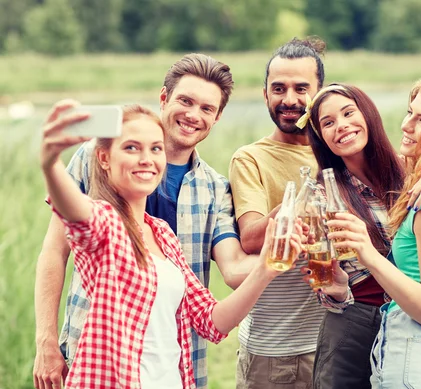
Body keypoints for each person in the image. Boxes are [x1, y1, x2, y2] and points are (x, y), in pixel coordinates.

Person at [39, 103, 303, 389]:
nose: (146, 159)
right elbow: (75, 210)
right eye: (131, 148)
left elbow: (211, 321)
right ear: (104, 158)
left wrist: (265, 268)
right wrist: (50, 162)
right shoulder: (103, 221)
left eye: (155, 148)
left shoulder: (162, 234)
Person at [297, 82, 421, 389]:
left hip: (413, 314)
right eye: (328, 123)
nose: (341, 126)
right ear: (321, 137)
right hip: (357, 318)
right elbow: (325, 282)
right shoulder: (321, 197)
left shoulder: (411, 168)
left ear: (368, 115)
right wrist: (337, 290)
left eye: (348, 113)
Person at [228, 36, 337, 389]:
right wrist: (301, 202)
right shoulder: (251, 159)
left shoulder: (340, 150)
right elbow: (250, 238)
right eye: (278, 89)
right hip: (276, 349)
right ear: (265, 95)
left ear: (320, 94)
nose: (289, 100)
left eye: (301, 88)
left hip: (338, 340)